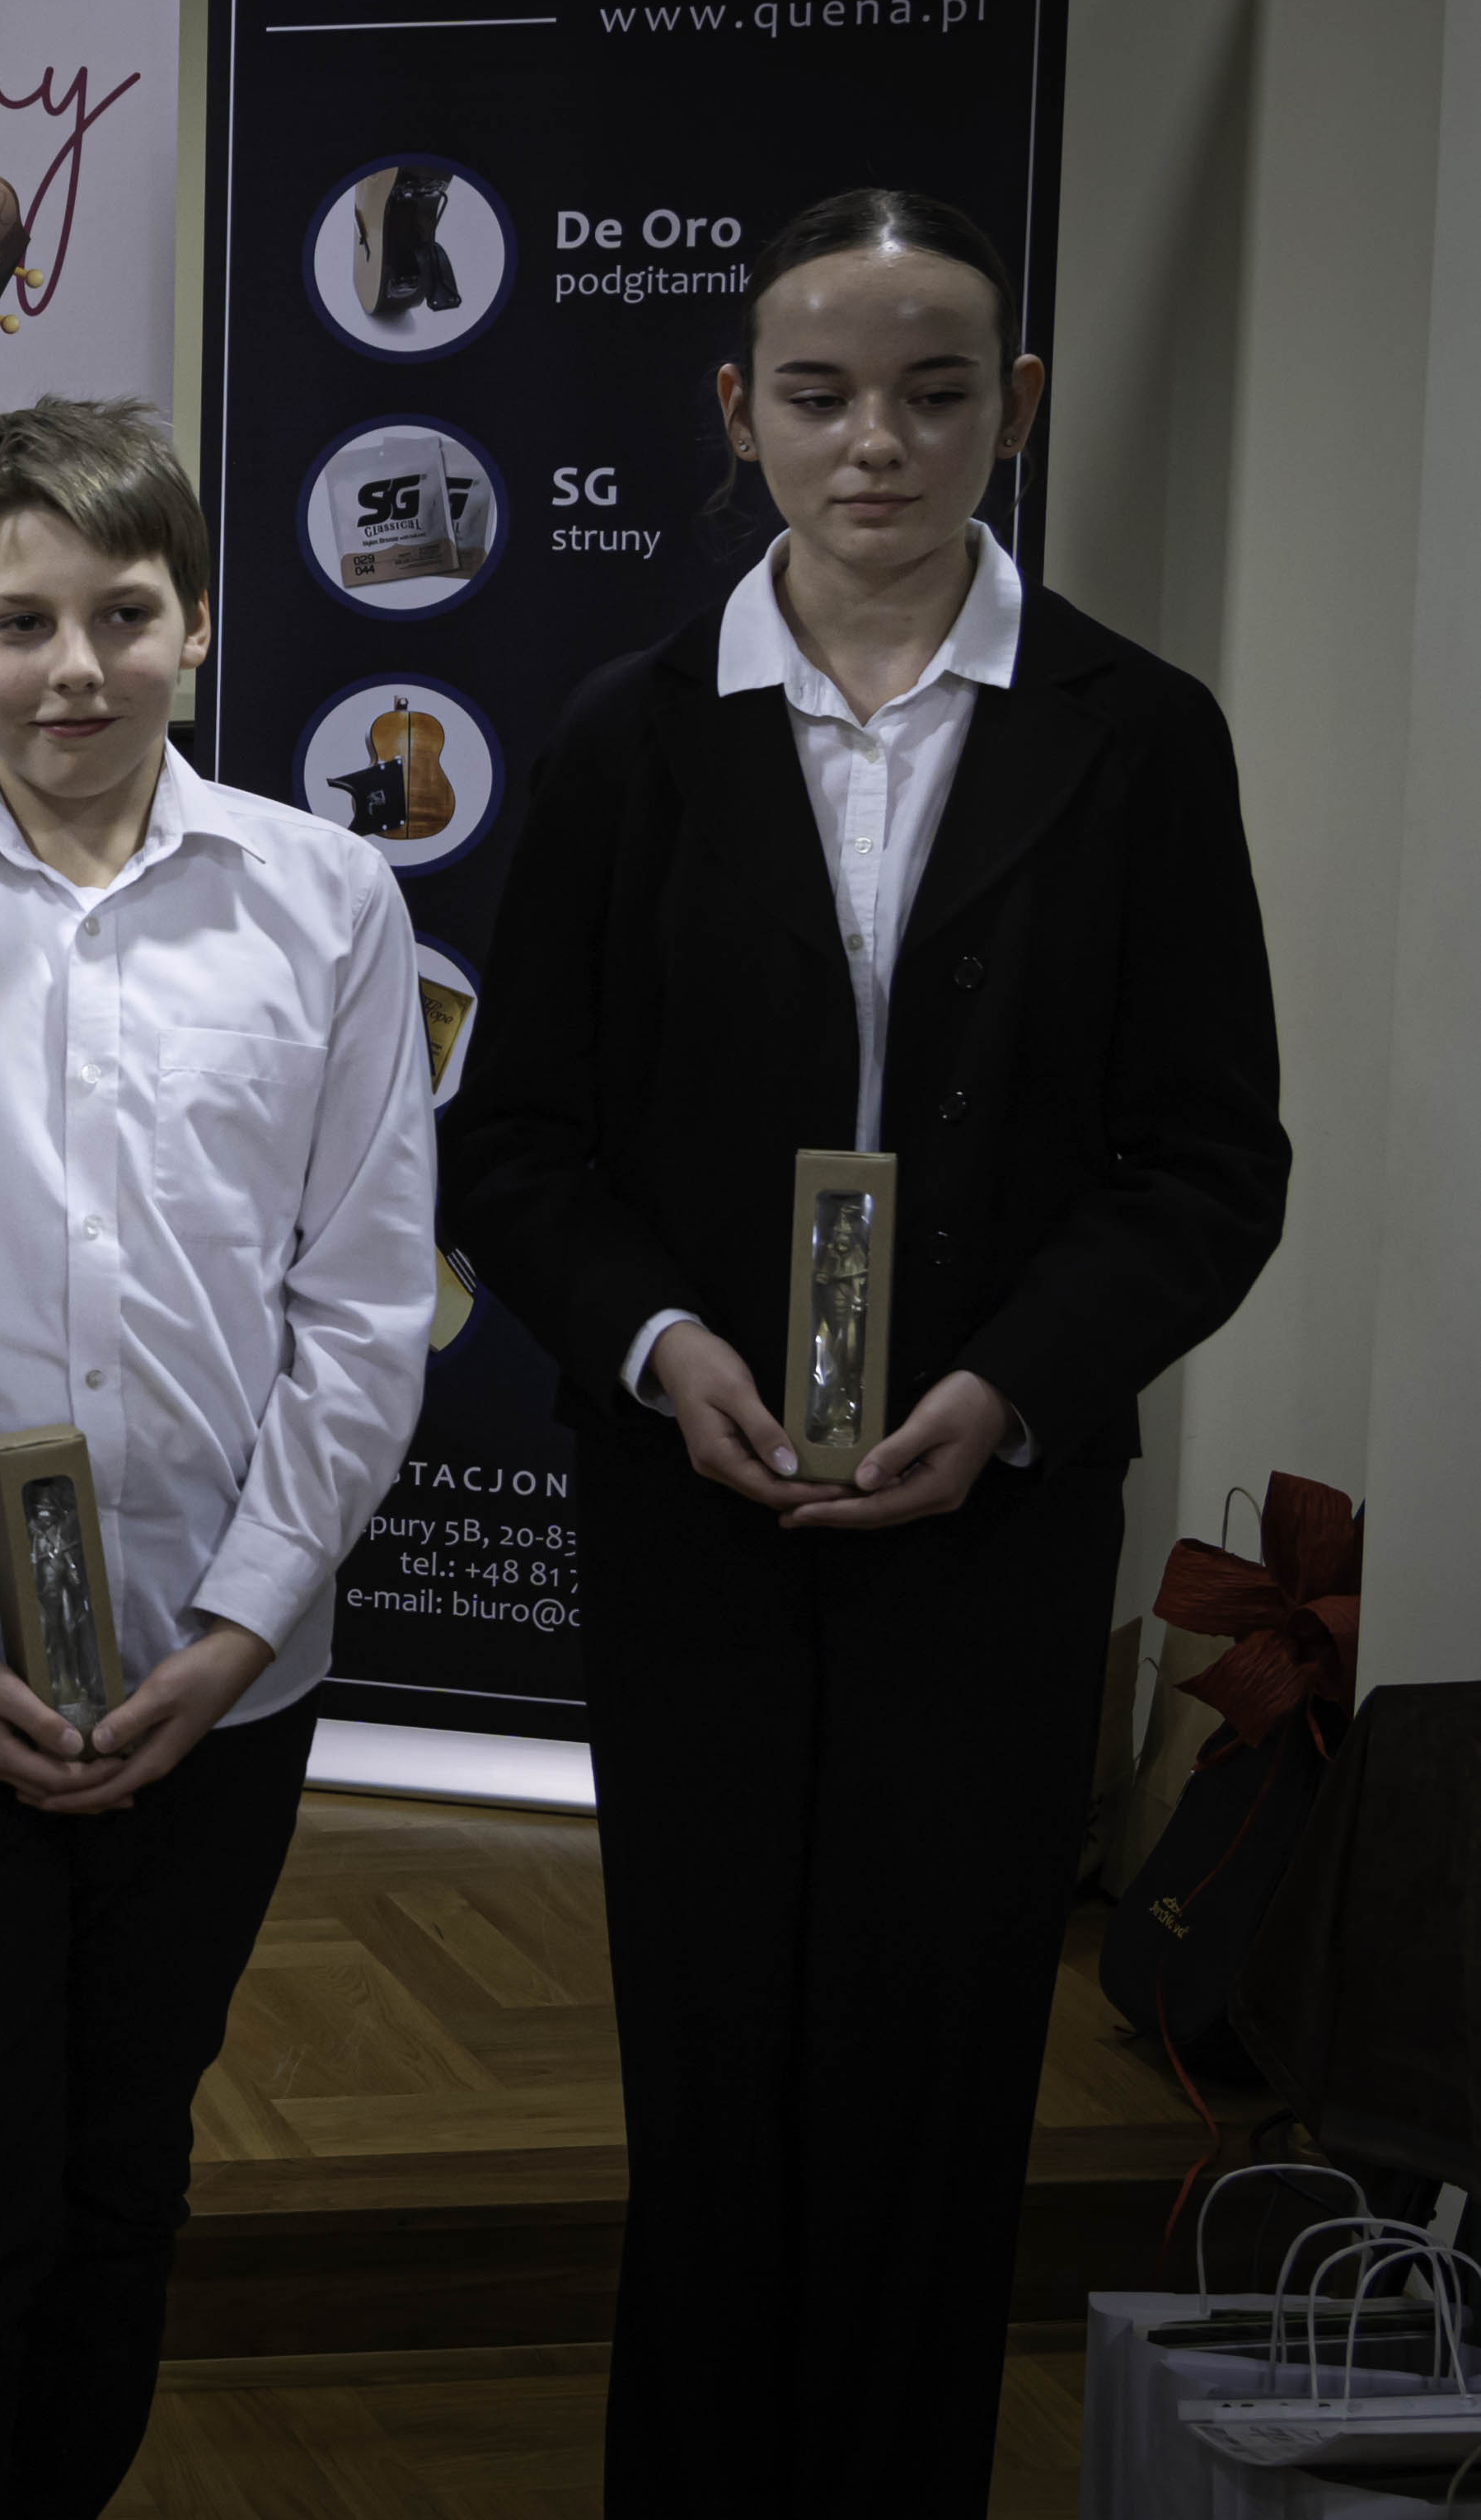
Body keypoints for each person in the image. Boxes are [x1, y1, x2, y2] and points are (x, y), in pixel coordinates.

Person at [443, 189, 1287, 2515]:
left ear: (1018, 405)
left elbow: (1209, 1160)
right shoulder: (625, 736)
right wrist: (660, 1344)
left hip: (990, 1518)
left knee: (941, 2074)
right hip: (693, 1509)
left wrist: (1008, 1388)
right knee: (710, 2058)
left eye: (934, 393)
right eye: (819, 395)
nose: (877, 444)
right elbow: (517, 1143)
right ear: (739, 411)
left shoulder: (1139, 736)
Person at [0, 397, 434, 2515]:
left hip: (215, 1671)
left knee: (123, 2165)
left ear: (199, 623)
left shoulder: (324, 900)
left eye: (123, 614)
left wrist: (238, 1633)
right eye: (18, 619)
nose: (74, 668)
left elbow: (362, 1302)